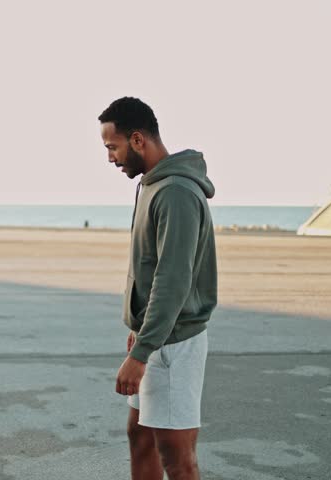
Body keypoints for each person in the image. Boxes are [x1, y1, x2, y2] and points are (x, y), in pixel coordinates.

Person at [98, 97, 217, 480]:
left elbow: (172, 280)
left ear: (136, 140)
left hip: (174, 343)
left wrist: (143, 350)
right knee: (140, 436)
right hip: (155, 335)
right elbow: (149, 270)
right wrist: (139, 330)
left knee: (177, 457)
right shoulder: (152, 185)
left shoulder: (175, 192)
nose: (111, 158)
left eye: (112, 147)